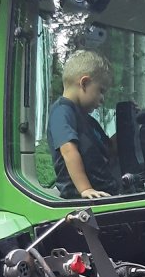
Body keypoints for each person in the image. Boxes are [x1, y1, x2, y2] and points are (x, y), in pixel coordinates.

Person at [46, 49, 119, 199]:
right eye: (101, 91)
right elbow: (68, 151)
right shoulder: (62, 111)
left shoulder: (88, 120)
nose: (102, 99)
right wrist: (85, 189)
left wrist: (129, 124)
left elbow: (109, 149)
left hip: (102, 192)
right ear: (84, 83)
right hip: (80, 199)